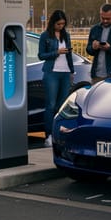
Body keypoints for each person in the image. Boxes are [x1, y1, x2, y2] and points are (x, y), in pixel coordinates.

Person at [37, 10, 74, 148]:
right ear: (53, 23)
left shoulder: (66, 35)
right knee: (51, 105)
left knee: (62, 106)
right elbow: (41, 55)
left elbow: (69, 55)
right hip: (51, 73)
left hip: (65, 73)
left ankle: (59, 134)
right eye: (59, 24)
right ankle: (49, 135)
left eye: (63, 24)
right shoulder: (45, 36)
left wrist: (72, 71)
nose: (61, 26)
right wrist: (56, 52)